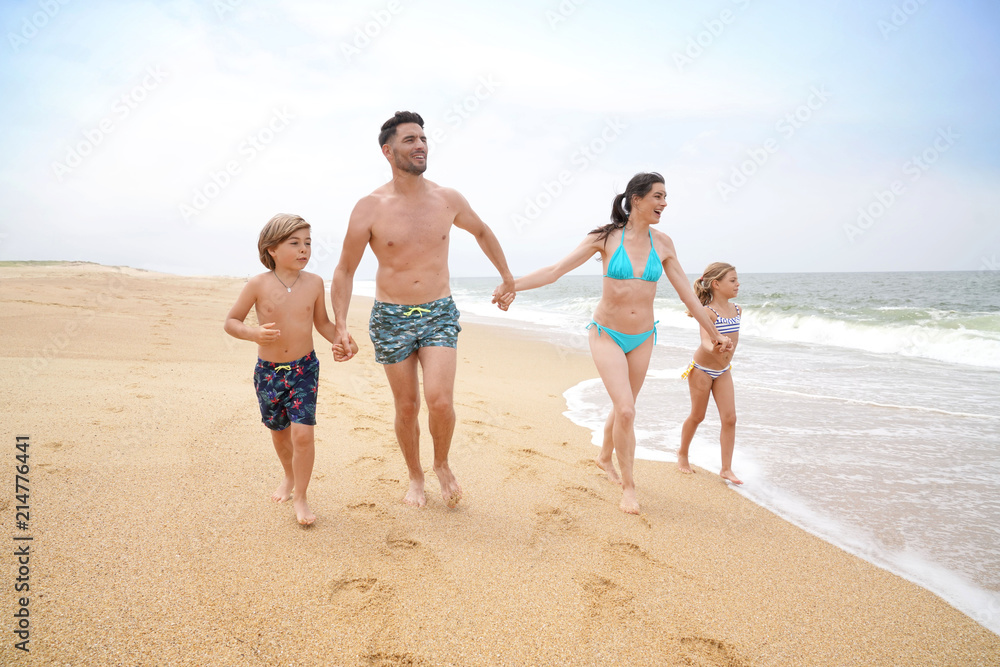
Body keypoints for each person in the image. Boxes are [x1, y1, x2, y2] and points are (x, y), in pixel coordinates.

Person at [498, 172, 732, 514]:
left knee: (626, 406)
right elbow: (556, 270)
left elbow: (688, 295)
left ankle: (605, 456)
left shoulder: (663, 244)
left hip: (643, 337)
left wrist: (714, 334)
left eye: (665, 197)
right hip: (607, 333)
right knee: (625, 409)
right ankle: (629, 488)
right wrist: (512, 286)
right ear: (636, 199)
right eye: (658, 196)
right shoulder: (605, 238)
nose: (664, 203)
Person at [331, 111, 516, 509]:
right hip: (390, 316)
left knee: (440, 401)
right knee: (407, 406)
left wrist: (506, 276)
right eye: (410, 140)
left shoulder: (448, 199)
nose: (420, 146)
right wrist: (340, 325)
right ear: (387, 150)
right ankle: (415, 475)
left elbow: (482, 231)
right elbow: (345, 269)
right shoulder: (369, 207)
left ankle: (442, 463)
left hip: (438, 312)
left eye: (423, 139)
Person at [224, 213, 357, 526]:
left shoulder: (313, 283)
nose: (304, 249)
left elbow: (321, 322)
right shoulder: (258, 284)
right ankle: (288, 475)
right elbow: (231, 322)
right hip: (268, 371)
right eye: (294, 243)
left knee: (302, 435)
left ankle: (301, 496)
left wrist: (342, 339)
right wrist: (254, 333)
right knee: (280, 434)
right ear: (272, 249)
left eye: (307, 243)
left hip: (304, 368)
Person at [677, 262, 743, 485]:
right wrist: (716, 345)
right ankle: (683, 454)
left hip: (723, 370)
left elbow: (734, 337)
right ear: (716, 284)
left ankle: (726, 469)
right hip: (702, 370)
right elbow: (705, 342)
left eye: (737, 280)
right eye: (732, 280)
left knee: (730, 418)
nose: (737, 284)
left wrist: (726, 347)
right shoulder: (708, 312)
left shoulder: (737, 310)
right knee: (698, 416)